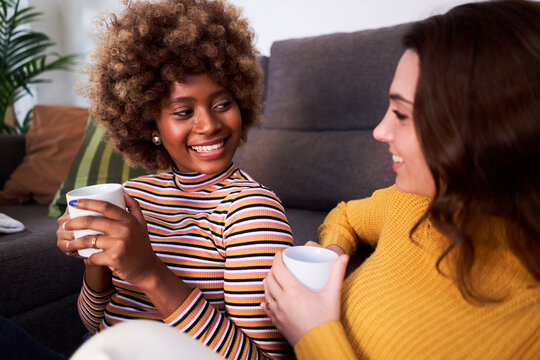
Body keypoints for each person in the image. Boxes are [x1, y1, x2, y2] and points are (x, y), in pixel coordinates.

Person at [262, 0, 540, 358]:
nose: (380, 131)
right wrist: (333, 255)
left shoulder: (528, 326)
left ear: (480, 132)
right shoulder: (412, 201)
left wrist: (312, 333)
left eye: (402, 114)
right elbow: (345, 215)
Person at [54, 0, 292, 359]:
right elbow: (94, 323)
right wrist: (96, 260)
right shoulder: (132, 196)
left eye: (222, 104)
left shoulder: (252, 211)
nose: (209, 125)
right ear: (151, 125)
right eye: (184, 111)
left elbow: (265, 358)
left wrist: (148, 272)